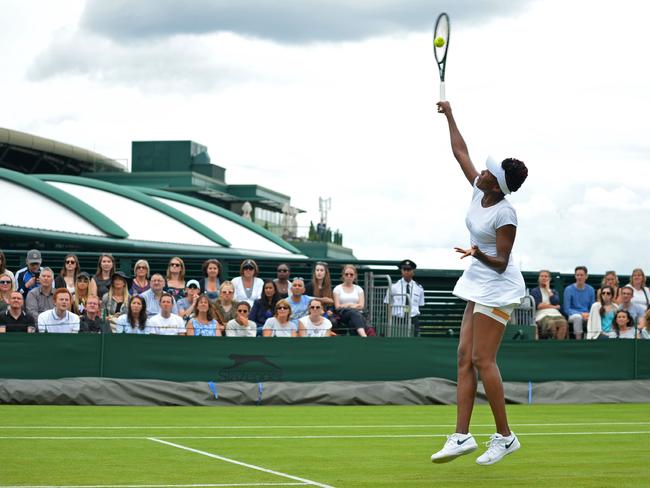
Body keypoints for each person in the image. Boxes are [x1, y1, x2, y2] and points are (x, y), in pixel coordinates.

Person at [431, 101, 528, 466]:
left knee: (481, 358)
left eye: (488, 172)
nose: (481, 172)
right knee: (462, 358)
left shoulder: (506, 213)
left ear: (498, 184)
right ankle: (461, 436)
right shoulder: (479, 189)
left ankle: (506, 438)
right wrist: (450, 115)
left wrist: (476, 253)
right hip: (477, 281)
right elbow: (460, 153)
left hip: (499, 286)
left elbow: (502, 262)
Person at [385, 259, 426, 337]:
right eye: (404, 269)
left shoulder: (419, 288)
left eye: (409, 269)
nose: (406, 272)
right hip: (398, 318)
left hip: (413, 318)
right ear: (401, 271)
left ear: (413, 271)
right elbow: (387, 303)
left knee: (414, 341)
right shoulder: (393, 287)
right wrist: (389, 319)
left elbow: (420, 305)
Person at [530, 270, 568, 340]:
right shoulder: (535, 291)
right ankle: (552, 341)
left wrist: (548, 289)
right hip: (542, 314)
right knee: (551, 323)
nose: (544, 278)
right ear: (539, 278)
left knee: (563, 323)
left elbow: (555, 301)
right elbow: (539, 305)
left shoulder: (553, 291)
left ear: (549, 279)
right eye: (542, 276)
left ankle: (559, 344)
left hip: (555, 314)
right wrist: (554, 307)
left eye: (546, 276)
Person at [333, 264, 368, 337]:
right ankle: (364, 336)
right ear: (343, 275)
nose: (349, 276)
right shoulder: (337, 289)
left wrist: (347, 305)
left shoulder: (359, 289)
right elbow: (337, 307)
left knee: (353, 321)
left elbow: (361, 306)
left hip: (358, 314)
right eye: (346, 274)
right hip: (343, 314)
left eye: (351, 274)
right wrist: (354, 306)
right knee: (354, 313)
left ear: (355, 276)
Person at [563, 266, 595, 340]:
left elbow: (592, 306)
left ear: (586, 276)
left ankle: (592, 339)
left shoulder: (591, 289)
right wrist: (581, 314)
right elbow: (566, 309)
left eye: (581, 275)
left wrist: (589, 314)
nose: (579, 277)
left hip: (587, 314)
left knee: (594, 317)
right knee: (578, 318)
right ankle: (579, 340)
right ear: (575, 276)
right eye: (577, 275)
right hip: (573, 315)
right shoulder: (569, 289)